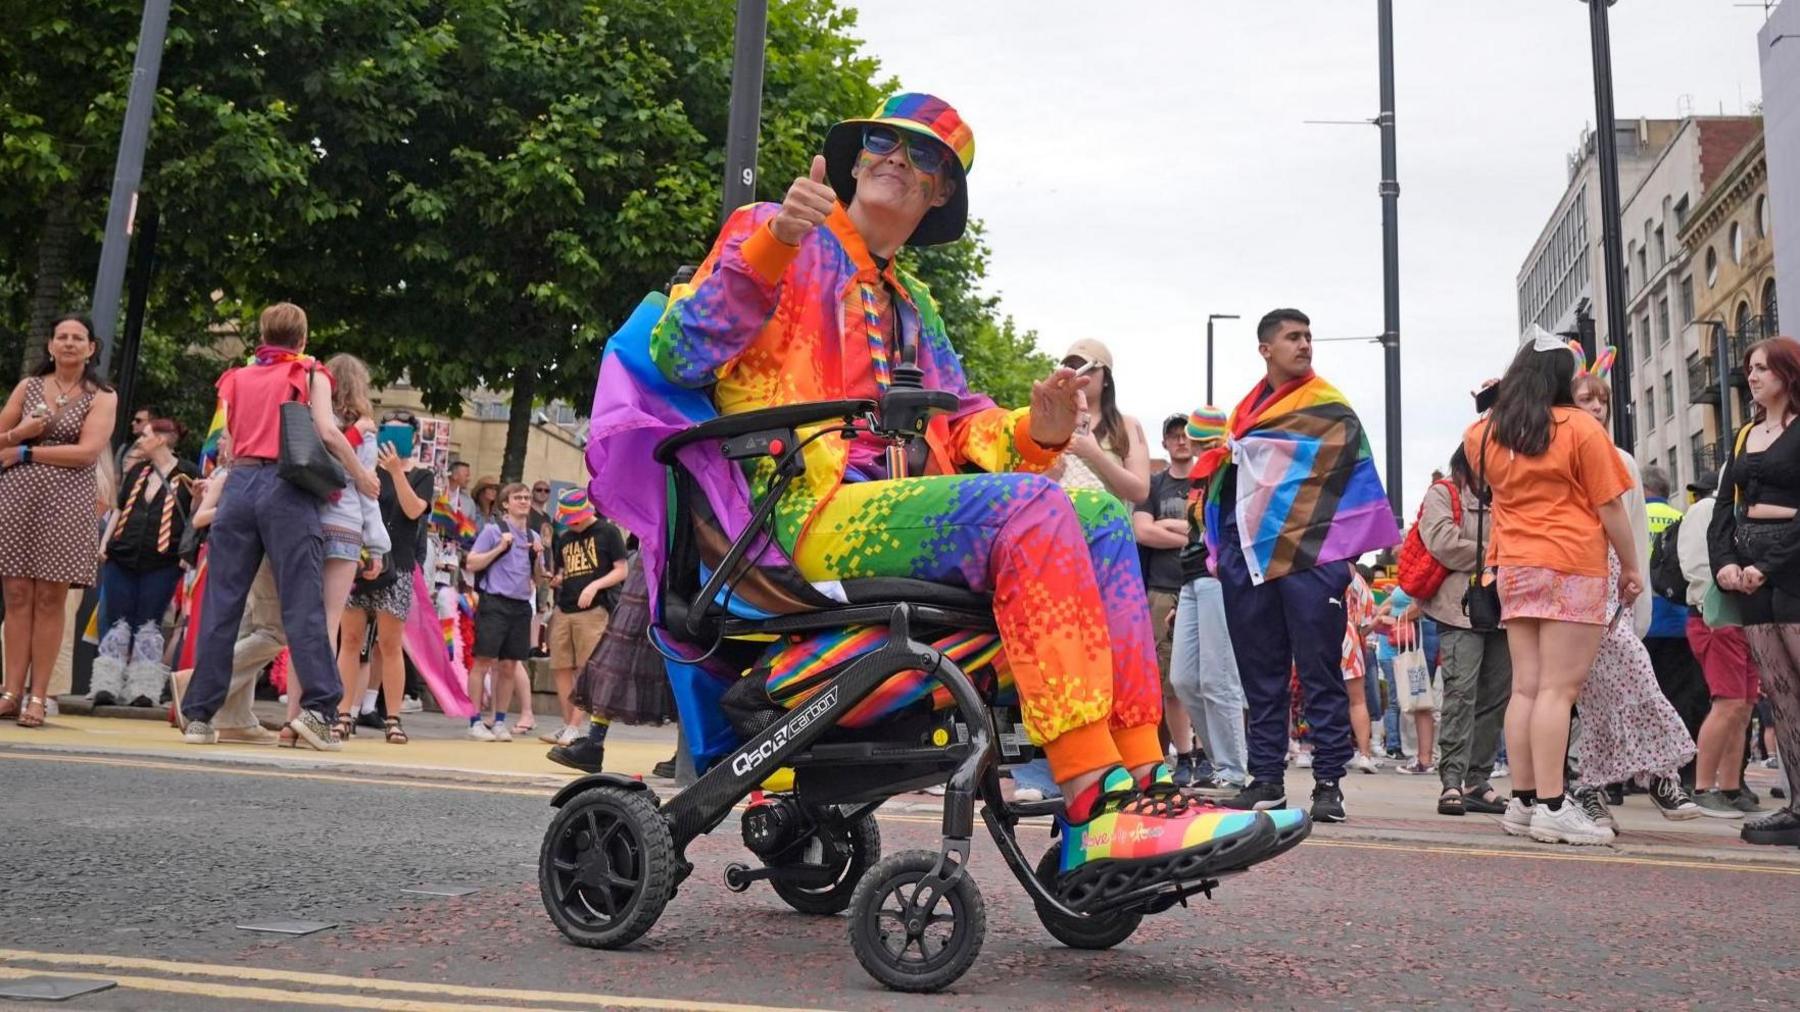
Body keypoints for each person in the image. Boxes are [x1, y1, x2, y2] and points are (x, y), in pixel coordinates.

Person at [639, 93, 1265, 885]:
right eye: (881, 144)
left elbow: (963, 421)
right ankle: (1088, 800)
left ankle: (1139, 780)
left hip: (896, 515)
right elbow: (678, 349)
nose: (896, 160)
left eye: (922, 156)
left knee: (1103, 515)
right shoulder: (776, 230)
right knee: (1034, 506)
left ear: (940, 194)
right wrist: (774, 243)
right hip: (794, 519)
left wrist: (1035, 429)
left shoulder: (916, 305)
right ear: (856, 157)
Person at [1212, 308, 1400, 821]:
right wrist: (1220, 549)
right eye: (1293, 337)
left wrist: (1342, 555)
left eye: (1308, 336)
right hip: (1251, 558)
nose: (1305, 345)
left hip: (1313, 556)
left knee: (1321, 671)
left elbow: (1351, 472)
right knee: (1261, 671)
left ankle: (1328, 784)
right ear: (1265, 349)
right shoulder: (1243, 413)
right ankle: (1266, 778)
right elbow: (1228, 480)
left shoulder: (1330, 406)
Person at [1463, 328, 1641, 846]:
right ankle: (1554, 805)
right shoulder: (1581, 429)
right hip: (1571, 564)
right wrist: (1631, 567)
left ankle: (1522, 802)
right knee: (1559, 692)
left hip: (1515, 567)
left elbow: (1480, 481)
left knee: (1526, 688)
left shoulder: (1486, 433)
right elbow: (1609, 504)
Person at [178, 302, 379, 750]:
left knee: (223, 605)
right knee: (303, 604)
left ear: (263, 335)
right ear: (303, 339)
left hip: (239, 488)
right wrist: (361, 476)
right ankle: (321, 710)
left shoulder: (236, 378)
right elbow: (327, 431)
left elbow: (228, 445)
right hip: (285, 488)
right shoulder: (310, 372)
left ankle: (199, 716)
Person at [1565, 371, 1698, 825]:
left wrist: (1637, 599)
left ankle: (1648, 776)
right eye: (1586, 399)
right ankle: (1594, 786)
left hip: (1616, 586)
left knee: (1633, 679)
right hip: (1579, 585)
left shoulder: (1623, 460)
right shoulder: (1563, 456)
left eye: (1601, 399)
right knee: (1595, 692)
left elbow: (1636, 529)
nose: (1597, 407)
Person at [0, 314, 119, 727]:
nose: (69, 343)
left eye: (78, 338)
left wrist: (28, 452)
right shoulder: (28, 387)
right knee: (16, 595)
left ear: (91, 348)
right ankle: (10, 692)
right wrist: (20, 434)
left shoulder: (101, 395)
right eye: (62, 337)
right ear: (50, 346)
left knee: (51, 599)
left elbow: (87, 453)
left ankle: (39, 696)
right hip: (17, 498)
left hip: (68, 503)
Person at [1707, 337, 1800, 846]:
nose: (1753, 375)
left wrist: (1764, 564)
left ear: (1788, 373)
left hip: (1791, 566)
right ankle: (1797, 805)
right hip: (1749, 574)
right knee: (1782, 697)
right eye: (1750, 368)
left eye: (1763, 367)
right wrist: (1725, 563)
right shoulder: (1744, 435)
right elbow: (1725, 508)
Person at [1420, 445, 1511, 816]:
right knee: (1461, 694)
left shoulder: (1510, 492)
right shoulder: (1445, 492)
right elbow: (1442, 543)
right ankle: (1452, 780)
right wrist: (1499, 552)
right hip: (1460, 609)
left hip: (1506, 610)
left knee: (1495, 699)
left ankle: (1477, 779)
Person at [304, 353, 389, 741]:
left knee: (297, 620)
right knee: (329, 622)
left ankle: (295, 708)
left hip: (304, 520)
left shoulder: (308, 418)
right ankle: (318, 711)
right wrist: (377, 545)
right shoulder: (363, 430)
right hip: (345, 524)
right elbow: (366, 491)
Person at [1166, 407, 1250, 796]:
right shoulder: (1202, 477)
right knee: (1183, 678)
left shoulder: (1231, 470)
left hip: (1218, 580)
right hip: (1191, 581)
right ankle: (1222, 766)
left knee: (1218, 678)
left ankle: (1232, 771)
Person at [337, 410, 433, 744]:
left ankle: (393, 718)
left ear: (413, 438)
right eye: (388, 432)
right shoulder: (365, 468)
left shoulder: (422, 475)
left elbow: (413, 510)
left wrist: (395, 471)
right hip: (361, 561)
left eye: (402, 433)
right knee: (349, 640)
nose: (394, 439)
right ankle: (343, 713)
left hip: (399, 566)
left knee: (389, 645)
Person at [92, 418, 199, 708]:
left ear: (162, 439)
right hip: (122, 554)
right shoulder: (138, 471)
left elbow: (193, 516)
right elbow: (119, 508)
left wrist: (187, 557)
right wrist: (104, 545)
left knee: (149, 623)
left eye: (147, 435)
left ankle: (144, 688)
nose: (140, 440)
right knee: (117, 620)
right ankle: (106, 685)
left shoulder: (188, 473)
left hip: (163, 560)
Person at [1680, 471, 1763, 817]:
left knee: (1742, 707)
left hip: (1742, 617)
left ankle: (1729, 786)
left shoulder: (1745, 508)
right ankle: (1702, 787)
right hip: (1716, 616)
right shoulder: (1707, 510)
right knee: (1728, 703)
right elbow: (1698, 566)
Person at [1135, 414, 1206, 782]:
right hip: (1160, 590)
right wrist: (1192, 536)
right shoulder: (1153, 485)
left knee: (1205, 677)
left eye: (1186, 436)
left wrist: (1171, 528)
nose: (1181, 441)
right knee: (1167, 681)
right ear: (1164, 443)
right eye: (1174, 436)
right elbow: (1143, 532)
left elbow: (1213, 532)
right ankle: (1185, 755)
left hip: (1202, 586)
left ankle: (1207, 754)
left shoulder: (1205, 480)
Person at [1641, 464, 1712, 792]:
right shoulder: (1679, 517)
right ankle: (1681, 770)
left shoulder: (1633, 515)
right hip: (1679, 621)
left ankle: (1637, 771)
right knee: (1682, 699)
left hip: (1640, 622)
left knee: (1640, 700)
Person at [541, 488, 627, 747]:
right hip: (564, 607)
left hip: (593, 610)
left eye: (574, 519)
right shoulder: (565, 538)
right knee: (560, 666)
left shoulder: (608, 532)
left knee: (585, 668)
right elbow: (566, 570)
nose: (571, 524)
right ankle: (569, 725)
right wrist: (557, 580)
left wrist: (594, 586)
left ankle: (575, 726)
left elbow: (621, 570)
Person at [465, 482, 542, 740]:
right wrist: (499, 547)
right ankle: (474, 720)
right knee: (483, 660)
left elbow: (538, 579)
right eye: (518, 497)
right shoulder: (493, 530)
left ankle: (499, 720)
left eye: (527, 497)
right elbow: (472, 562)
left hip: (521, 604)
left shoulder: (534, 537)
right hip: (495, 601)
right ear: (505, 504)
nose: (524, 501)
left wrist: (539, 558)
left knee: (510, 665)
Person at [1048, 339, 1151, 505]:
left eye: (1088, 368)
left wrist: (1094, 454)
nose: (1079, 373)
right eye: (1072, 367)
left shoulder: (1127, 425)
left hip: (1106, 527)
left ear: (1106, 379)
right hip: (1058, 524)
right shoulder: (1049, 422)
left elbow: (1140, 492)